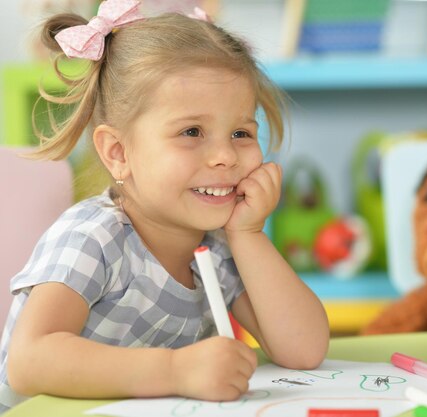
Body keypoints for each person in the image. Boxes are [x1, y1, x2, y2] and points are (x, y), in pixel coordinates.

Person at [0, 1, 329, 413]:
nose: (225, 156)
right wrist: (175, 370)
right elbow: (28, 361)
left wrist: (249, 235)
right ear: (118, 152)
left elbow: (304, 351)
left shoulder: (221, 246)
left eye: (241, 132)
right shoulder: (92, 238)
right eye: (192, 131)